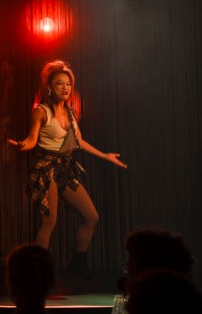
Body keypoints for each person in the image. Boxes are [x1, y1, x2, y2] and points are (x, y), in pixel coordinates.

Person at [8, 59, 126, 281]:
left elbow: (79, 141)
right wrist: (24, 144)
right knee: (49, 221)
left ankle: (77, 264)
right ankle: (36, 270)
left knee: (91, 216)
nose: (65, 88)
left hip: (65, 168)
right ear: (50, 87)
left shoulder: (71, 114)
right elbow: (33, 139)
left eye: (68, 84)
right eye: (60, 83)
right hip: (46, 169)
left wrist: (105, 156)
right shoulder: (41, 112)